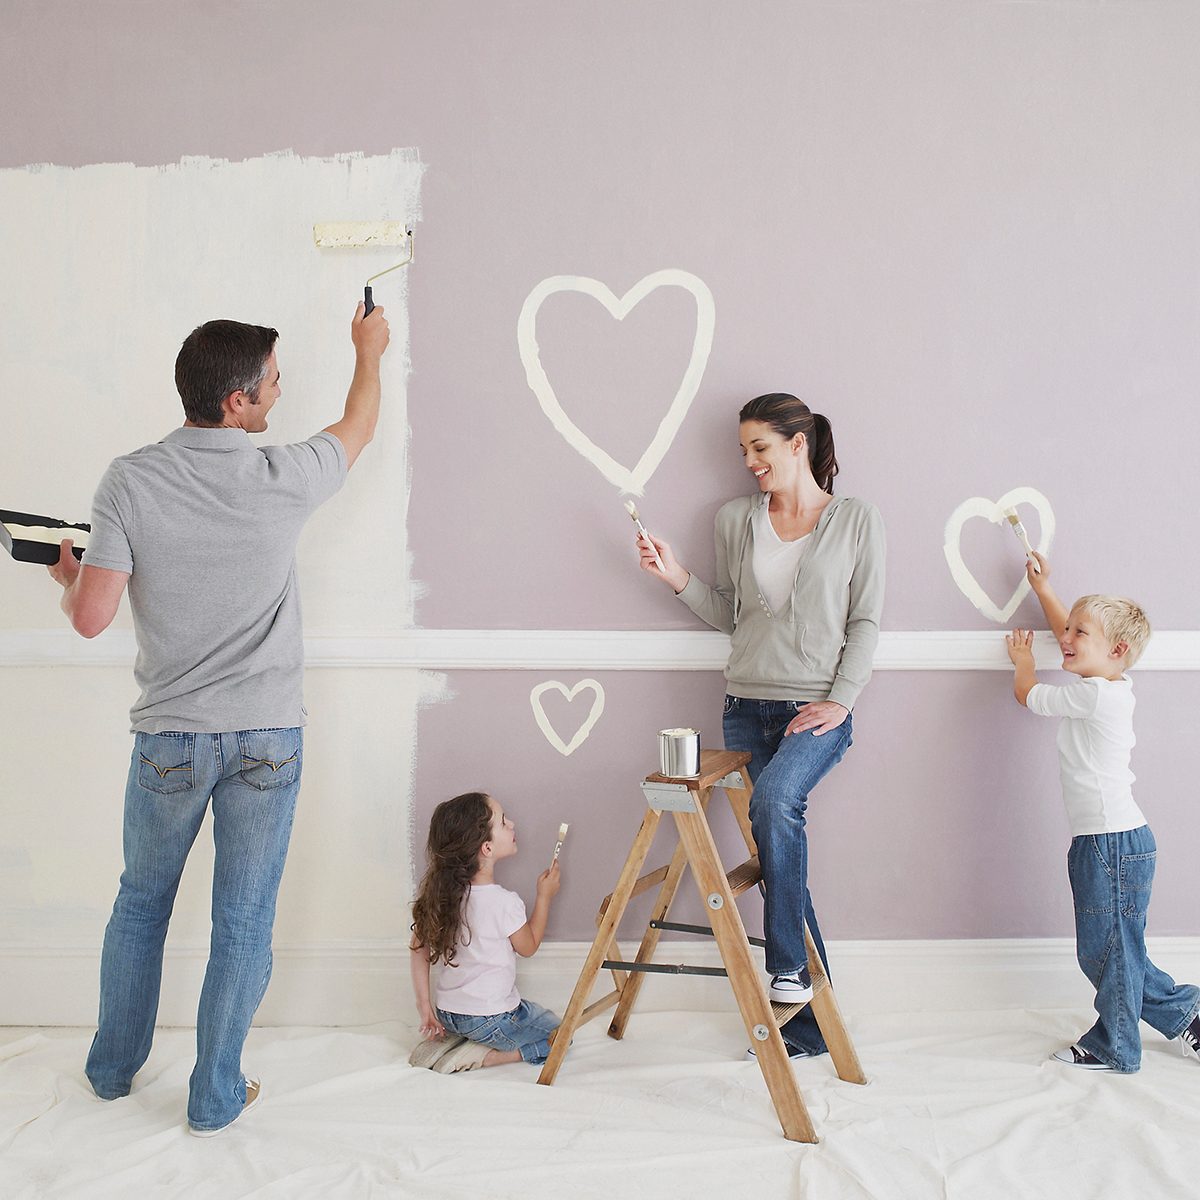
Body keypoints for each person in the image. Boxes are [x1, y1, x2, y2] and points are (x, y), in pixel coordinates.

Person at [46, 304, 391, 1134]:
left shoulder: (128, 480)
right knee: (244, 920)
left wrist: (68, 572)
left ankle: (110, 1071)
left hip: (168, 739)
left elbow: (92, 617)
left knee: (141, 904)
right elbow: (361, 422)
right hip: (267, 739)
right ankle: (214, 1094)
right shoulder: (284, 474)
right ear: (237, 400)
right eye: (272, 380)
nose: (280, 390)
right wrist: (368, 350)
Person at [637, 393, 884, 1059]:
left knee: (778, 804)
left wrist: (843, 699)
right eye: (743, 451)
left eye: (760, 448)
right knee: (776, 859)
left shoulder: (856, 520)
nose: (749, 462)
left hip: (816, 710)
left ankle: (788, 975)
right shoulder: (735, 520)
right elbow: (734, 616)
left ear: (798, 443)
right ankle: (809, 1025)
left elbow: (864, 621)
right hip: (744, 706)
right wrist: (677, 578)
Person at [1006, 552, 1200, 1072]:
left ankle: (1114, 1045)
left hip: (1110, 843)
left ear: (1114, 650)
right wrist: (1046, 591)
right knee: (1119, 949)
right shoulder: (1108, 685)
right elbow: (1076, 645)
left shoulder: (1094, 698)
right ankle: (1190, 1013)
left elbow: (1027, 694)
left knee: (1105, 953)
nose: (1064, 639)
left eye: (1078, 633)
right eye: (1066, 629)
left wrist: (1023, 661)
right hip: (1113, 840)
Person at [408, 792, 562, 1073]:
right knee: (560, 1035)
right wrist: (544, 897)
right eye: (504, 822)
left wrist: (425, 1007)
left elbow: (418, 947)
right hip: (490, 1018)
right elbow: (528, 947)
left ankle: (456, 1042)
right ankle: (484, 1057)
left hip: (448, 1014)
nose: (513, 824)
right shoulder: (504, 903)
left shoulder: (441, 897)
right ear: (487, 848)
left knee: (529, 1015)